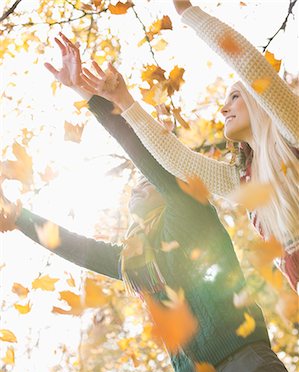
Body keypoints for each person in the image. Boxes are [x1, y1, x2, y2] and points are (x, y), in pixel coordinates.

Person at [1, 34, 298, 372]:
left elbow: (145, 155)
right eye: (132, 190)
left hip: (246, 363)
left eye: (147, 182)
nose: (137, 189)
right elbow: (78, 248)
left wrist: (94, 100)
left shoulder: (188, 209)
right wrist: (19, 218)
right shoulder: (135, 260)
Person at [89, 0, 298, 292]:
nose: (224, 109)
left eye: (235, 97)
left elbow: (249, 64)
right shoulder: (245, 181)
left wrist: (186, 11)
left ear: (260, 101)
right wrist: (124, 101)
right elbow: (179, 161)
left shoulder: (293, 135)